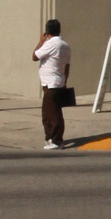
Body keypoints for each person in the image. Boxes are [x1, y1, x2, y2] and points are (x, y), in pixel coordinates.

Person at [33, 17, 73, 151]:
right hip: (59, 83)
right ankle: (52, 138)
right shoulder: (66, 45)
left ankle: (56, 141)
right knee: (51, 113)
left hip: (51, 85)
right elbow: (67, 67)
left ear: (47, 31)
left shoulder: (50, 44)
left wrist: (41, 41)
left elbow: (35, 56)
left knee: (52, 115)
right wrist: (64, 81)